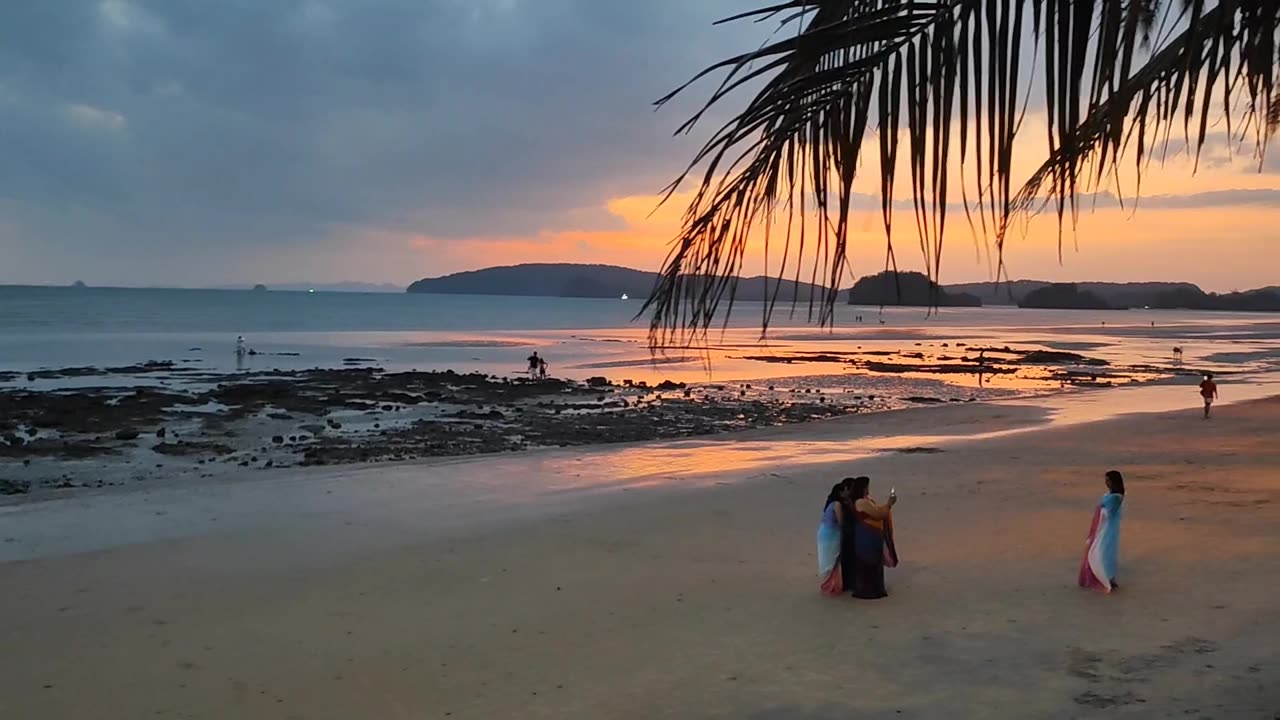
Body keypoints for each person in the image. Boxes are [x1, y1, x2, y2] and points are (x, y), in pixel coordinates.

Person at [843, 476, 899, 599]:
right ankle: (868, 591)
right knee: (869, 559)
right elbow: (879, 514)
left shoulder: (863, 500)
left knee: (873, 560)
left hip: (870, 534)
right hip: (867, 534)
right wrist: (889, 504)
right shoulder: (861, 502)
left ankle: (873, 588)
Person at [1078, 470, 1126, 593]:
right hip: (1104, 527)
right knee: (1102, 553)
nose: (1106, 482)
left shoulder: (1116, 497)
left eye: (1108, 480)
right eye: (1106, 480)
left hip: (1107, 529)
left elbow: (1108, 512)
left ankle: (1108, 580)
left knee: (1103, 553)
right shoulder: (1110, 496)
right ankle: (1109, 579)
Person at [816, 479, 852, 595]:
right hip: (830, 534)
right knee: (832, 559)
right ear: (841, 492)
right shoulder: (837, 504)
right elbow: (841, 522)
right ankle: (830, 585)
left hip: (826, 532)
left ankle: (831, 584)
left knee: (830, 559)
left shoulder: (832, 503)